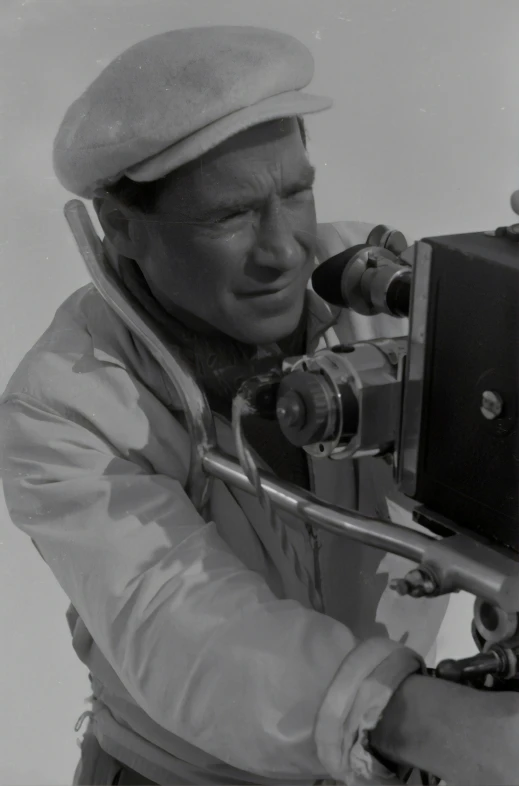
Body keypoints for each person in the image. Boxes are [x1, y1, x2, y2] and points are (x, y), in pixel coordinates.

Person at [1, 25, 518, 786]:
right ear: (123, 229)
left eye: (296, 193)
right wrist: (417, 721)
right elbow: (175, 621)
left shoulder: (400, 298)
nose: (284, 250)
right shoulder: (65, 402)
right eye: (230, 216)